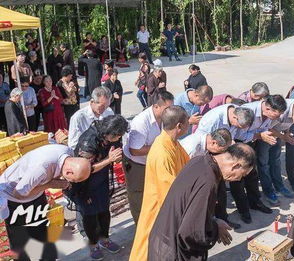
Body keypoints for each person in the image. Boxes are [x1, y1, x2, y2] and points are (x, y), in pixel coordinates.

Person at [148, 143, 256, 261]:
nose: (239, 179)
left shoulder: (199, 160)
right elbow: (191, 233)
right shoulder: (208, 181)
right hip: (171, 251)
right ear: (236, 166)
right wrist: (214, 229)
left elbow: (190, 208)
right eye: (243, 174)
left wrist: (213, 220)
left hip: (162, 236)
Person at [0, 144, 91, 261]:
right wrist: (51, 184)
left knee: (43, 232)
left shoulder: (68, 153)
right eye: (72, 181)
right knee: (22, 241)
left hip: (35, 192)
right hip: (14, 197)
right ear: (68, 173)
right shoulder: (41, 168)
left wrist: (51, 183)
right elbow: (19, 193)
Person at [130, 106, 190, 261]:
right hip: (160, 209)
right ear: (179, 126)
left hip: (168, 204)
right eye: (187, 123)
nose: (189, 126)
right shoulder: (162, 152)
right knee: (150, 249)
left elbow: (187, 166)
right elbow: (170, 191)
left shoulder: (171, 142)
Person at [67, 115, 128, 260]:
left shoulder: (112, 135)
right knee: (90, 215)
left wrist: (117, 157)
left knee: (104, 211)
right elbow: (85, 169)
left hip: (101, 179)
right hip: (84, 182)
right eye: (118, 136)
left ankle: (105, 239)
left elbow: (116, 150)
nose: (119, 138)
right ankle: (93, 245)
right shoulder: (89, 140)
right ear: (110, 133)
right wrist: (110, 159)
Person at [230, 95, 287, 223]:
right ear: (267, 109)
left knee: (252, 175)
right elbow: (239, 134)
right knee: (238, 178)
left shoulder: (267, 114)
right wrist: (260, 135)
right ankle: (243, 210)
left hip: (252, 141)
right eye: (276, 115)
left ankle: (255, 202)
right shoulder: (248, 112)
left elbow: (264, 128)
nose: (278, 118)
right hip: (237, 144)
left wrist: (262, 135)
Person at [123, 91, 174, 223]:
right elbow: (134, 150)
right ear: (156, 106)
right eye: (166, 109)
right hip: (137, 164)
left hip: (152, 161)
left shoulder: (164, 119)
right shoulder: (141, 122)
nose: (169, 112)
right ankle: (141, 227)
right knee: (138, 197)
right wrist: (159, 148)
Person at [257, 99, 294, 205]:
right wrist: (284, 137)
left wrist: (287, 134)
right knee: (264, 164)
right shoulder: (281, 113)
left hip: (278, 135)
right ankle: (269, 191)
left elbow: (289, 124)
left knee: (276, 161)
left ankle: (279, 187)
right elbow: (268, 127)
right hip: (266, 136)